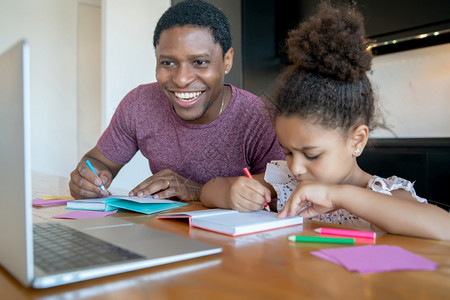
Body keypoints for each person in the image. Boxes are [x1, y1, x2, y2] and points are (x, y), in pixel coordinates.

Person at [207, 2, 450, 240]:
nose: (295, 167)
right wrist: (232, 193)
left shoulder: (382, 193)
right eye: (288, 152)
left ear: (357, 140)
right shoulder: (289, 182)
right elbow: (210, 189)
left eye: (311, 155)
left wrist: (338, 196)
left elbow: (444, 227)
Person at [69, 0, 284, 201]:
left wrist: (197, 190)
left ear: (227, 61)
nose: (181, 79)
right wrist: (88, 179)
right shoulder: (139, 104)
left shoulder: (259, 118)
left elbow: (285, 185)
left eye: (200, 62)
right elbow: (98, 161)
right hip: (165, 235)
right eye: (168, 63)